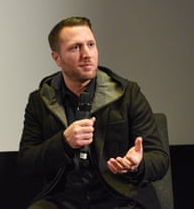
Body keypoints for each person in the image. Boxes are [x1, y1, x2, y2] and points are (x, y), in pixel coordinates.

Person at [18, 16, 169, 208]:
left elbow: (159, 158)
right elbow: (26, 163)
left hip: (120, 197)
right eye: (76, 47)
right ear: (57, 58)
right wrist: (63, 143)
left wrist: (137, 164)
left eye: (91, 44)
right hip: (63, 199)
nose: (87, 54)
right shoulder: (40, 100)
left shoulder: (127, 93)